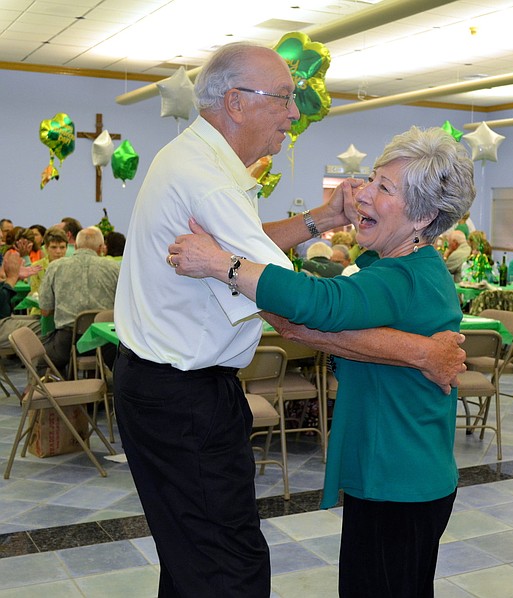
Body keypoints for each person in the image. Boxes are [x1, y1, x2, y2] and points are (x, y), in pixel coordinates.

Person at [113, 43, 466, 598]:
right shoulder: (210, 180)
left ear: (422, 216)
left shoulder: (198, 164)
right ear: (235, 101)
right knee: (226, 569)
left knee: (199, 560)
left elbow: (286, 289)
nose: (294, 112)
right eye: (283, 98)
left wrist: (293, 232)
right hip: (185, 398)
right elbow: (295, 308)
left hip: (393, 470)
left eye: (382, 187)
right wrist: (419, 351)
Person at [39, 226, 120, 373]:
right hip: (104, 342)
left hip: (68, 342)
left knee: (41, 360)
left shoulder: (55, 267)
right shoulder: (114, 268)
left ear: (75, 246)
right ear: (101, 248)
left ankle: (62, 390)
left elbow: (45, 311)